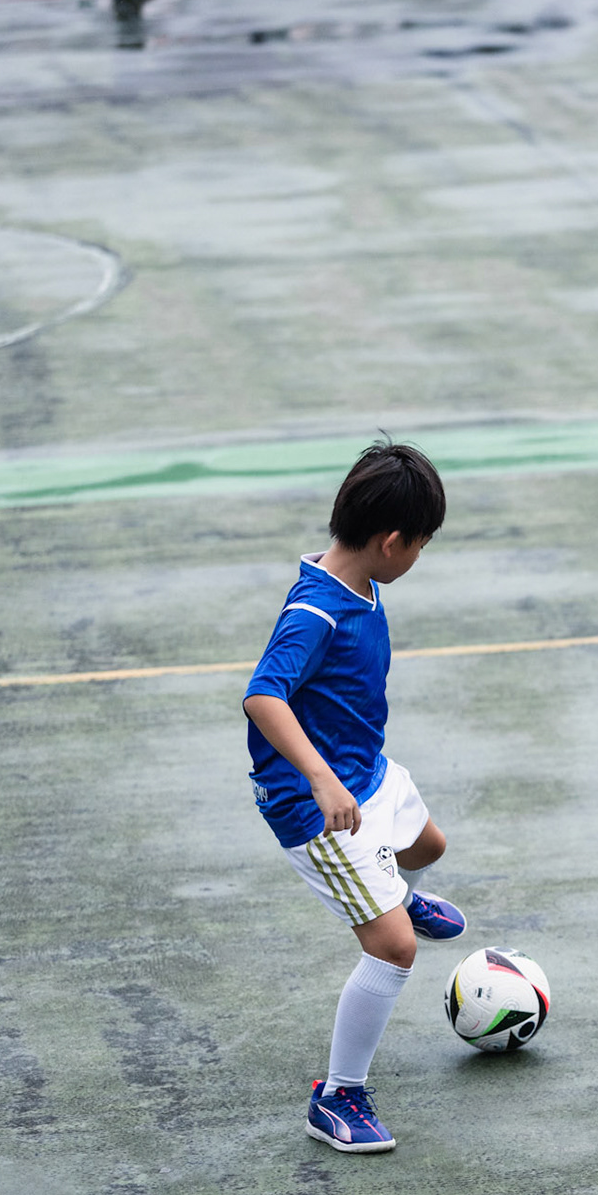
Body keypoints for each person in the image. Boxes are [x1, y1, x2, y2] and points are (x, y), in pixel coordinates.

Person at [244, 440, 468, 1151]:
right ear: (391, 540)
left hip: (368, 771)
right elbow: (262, 696)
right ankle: (339, 1096)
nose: (417, 560)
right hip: (320, 804)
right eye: (421, 547)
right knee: (394, 948)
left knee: (427, 846)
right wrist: (319, 775)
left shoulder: (356, 574)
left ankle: (398, 891)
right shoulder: (316, 611)